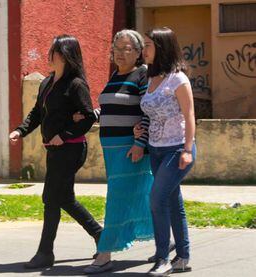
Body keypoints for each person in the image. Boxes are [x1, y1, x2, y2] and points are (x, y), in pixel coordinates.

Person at [9, 34, 103, 269]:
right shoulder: (47, 83)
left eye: (54, 51)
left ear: (65, 55)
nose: (49, 55)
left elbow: (88, 117)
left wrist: (65, 135)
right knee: (64, 198)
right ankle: (100, 235)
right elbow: (37, 114)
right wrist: (20, 131)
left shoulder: (76, 84)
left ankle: (45, 253)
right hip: (55, 150)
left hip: (71, 149)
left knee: (51, 198)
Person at [75, 29, 155, 274]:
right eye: (116, 48)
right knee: (138, 197)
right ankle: (165, 237)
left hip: (130, 149)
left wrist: (140, 145)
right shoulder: (115, 75)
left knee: (117, 199)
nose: (119, 54)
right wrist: (90, 115)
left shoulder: (142, 75)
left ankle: (105, 253)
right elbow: (109, 107)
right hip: (111, 149)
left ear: (139, 52)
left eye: (126, 49)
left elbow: (149, 111)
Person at [140, 27, 197, 276]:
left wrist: (187, 149)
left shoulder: (178, 79)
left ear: (161, 47)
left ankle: (163, 258)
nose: (144, 50)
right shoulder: (151, 78)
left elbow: (190, 115)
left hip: (176, 149)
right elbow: (151, 114)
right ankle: (182, 257)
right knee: (172, 201)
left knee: (157, 199)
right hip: (156, 150)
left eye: (148, 45)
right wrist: (138, 128)